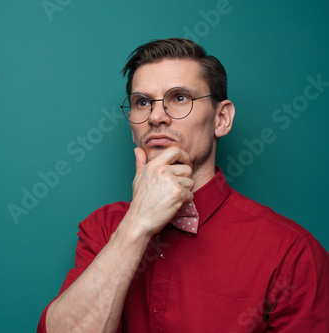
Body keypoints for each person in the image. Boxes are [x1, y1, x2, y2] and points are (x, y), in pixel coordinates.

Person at [37, 38, 329, 332]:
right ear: (132, 124)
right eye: (142, 103)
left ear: (221, 118)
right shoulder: (102, 228)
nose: (156, 116)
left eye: (179, 98)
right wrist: (136, 225)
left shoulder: (292, 253)